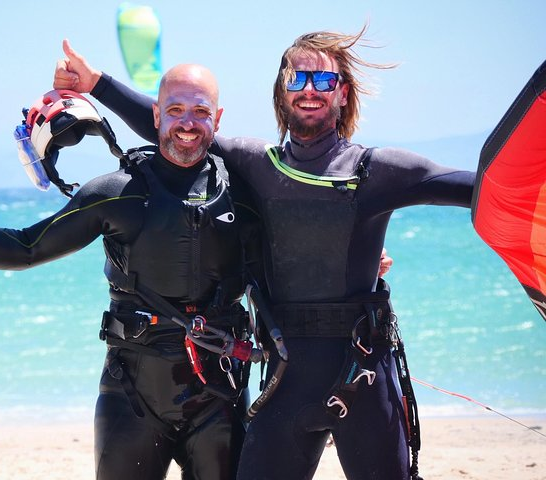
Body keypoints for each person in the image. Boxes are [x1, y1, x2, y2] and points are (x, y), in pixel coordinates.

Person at [52, 27, 474, 480]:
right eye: (297, 79)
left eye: (324, 81)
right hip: (286, 377)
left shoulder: (379, 171)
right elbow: (178, 128)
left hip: (362, 373)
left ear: (344, 94)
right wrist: (96, 83)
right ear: (281, 91)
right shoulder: (257, 165)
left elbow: (482, 189)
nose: (309, 90)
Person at [0, 66, 261, 480]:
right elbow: (26, 248)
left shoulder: (245, 196)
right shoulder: (115, 193)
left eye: (200, 111)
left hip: (220, 396)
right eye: (175, 110)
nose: (188, 123)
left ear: (219, 117)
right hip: (133, 394)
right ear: (156, 115)